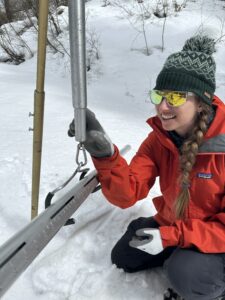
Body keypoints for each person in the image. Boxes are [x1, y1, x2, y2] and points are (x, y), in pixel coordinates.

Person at [68, 35, 225, 300]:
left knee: (185, 274)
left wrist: (172, 236)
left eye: (175, 97)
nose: (162, 107)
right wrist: (104, 154)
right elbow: (128, 193)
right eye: (159, 95)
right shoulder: (159, 139)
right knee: (124, 257)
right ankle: (181, 251)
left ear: (201, 103)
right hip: (177, 225)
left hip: (216, 238)